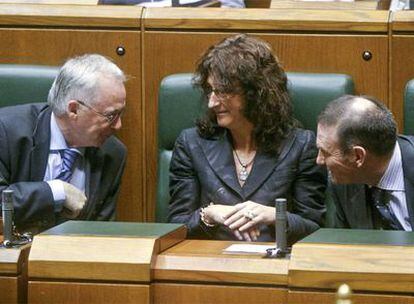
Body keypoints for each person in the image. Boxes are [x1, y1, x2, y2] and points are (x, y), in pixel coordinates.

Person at [168, 34, 326, 244]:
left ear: (255, 92)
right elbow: (175, 227)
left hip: (275, 267)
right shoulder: (191, 143)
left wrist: (275, 217)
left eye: (223, 91)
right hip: (210, 263)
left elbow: (314, 229)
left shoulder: (300, 146)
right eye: (210, 91)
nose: (212, 103)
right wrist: (208, 215)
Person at [0, 54, 127, 234]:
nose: (119, 125)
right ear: (74, 109)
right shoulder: (6, 132)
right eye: (110, 116)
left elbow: (100, 231)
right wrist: (55, 192)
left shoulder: (112, 153)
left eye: (122, 113)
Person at [316, 95, 413, 231]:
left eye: (325, 152)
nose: (319, 160)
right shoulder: (343, 181)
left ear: (358, 156)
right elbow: (345, 245)